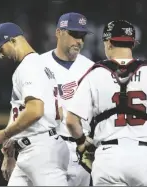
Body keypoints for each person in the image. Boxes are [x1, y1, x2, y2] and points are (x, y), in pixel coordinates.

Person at [66, 20, 147, 186]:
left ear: (108, 42)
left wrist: (82, 143)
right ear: (132, 43)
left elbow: (71, 120)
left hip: (109, 158)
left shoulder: (96, 74)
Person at [0, 22, 69, 186]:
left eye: (0, 49)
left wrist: (3, 134)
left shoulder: (29, 67)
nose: (1, 56)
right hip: (31, 149)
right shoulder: (42, 65)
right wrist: (9, 153)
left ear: (13, 40)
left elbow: (35, 111)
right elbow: (20, 111)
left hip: (42, 150)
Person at [40, 12, 94, 186]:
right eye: (74, 34)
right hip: (51, 147)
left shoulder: (91, 68)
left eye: (82, 36)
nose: (79, 41)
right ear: (58, 33)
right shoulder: (38, 65)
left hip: (83, 149)